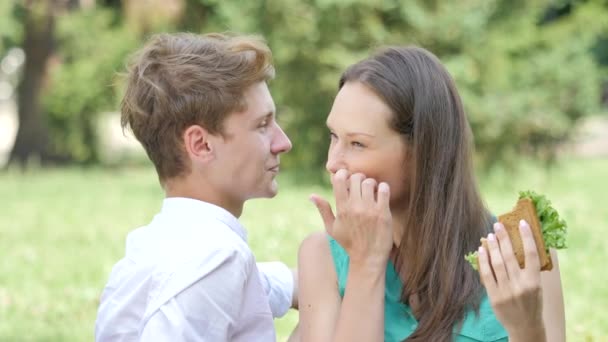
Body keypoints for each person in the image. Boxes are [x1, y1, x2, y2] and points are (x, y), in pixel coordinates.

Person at [298, 46, 565, 342]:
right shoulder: (322, 257)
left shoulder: (520, 256)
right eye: (334, 137)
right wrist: (365, 263)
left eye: (357, 144)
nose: (332, 163)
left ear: (423, 152)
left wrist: (527, 330)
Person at [95, 32, 299, 341]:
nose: (283, 143)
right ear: (201, 144)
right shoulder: (216, 257)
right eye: (262, 125)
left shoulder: (155, 246)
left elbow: (259, 285)